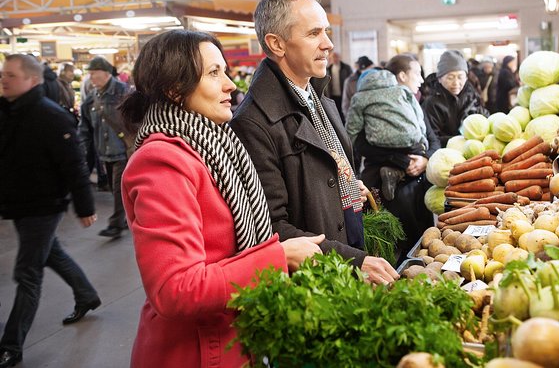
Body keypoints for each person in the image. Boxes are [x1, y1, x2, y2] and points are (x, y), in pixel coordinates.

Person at [119, 29, 323, 368]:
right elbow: (174, 288)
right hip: (194, 352)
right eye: (214, 73)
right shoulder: (161, 163)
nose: (231, 85)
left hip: (232, 340)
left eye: (225, 72)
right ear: (174, 89)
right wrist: (278, 257)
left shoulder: (216, 144)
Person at [230, 0, 399, 285]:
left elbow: (316, 176)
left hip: (344, 264)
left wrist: (345, 187)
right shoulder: (254, 123)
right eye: (314, 34)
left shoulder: (316, 96)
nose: (328, 44)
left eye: (327, 32)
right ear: (276, 44)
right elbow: (271, 226)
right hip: (315, 282)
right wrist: (353, 262)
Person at [0, 54, 100, 368]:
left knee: (27, 273)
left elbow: (75, 166)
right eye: (3, 74)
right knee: (51, 252)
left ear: (31, 80)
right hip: (18, 202)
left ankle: (11, 347)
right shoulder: (7, 110)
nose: (4, 79)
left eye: (11, 75)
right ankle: (86, 295)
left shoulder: (51, 116)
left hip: (44, 205)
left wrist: (85, 206)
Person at [353, 54, 441, 261]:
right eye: (417, 73)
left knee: (425, 245)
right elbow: (360, 143)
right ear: (402, 76)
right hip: (385, 187)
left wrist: (425, 160)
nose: (421, 79)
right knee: (395, 247)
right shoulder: (372, 103)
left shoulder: (415, 104)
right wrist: (400, 160)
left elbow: (432, 140)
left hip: (419, 186)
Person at [345, 58, 427, 201]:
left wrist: (351, 146)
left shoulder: (360, 97)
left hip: (378, 142)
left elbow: (352, 129)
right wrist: (422, 140)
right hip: (410, 141)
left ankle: (394, 172)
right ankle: (398, 172)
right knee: (415, 146)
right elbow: (418, 117)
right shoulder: (402, 90)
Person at [79, 56, 130, 239]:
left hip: (123, 150)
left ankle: (115, 224)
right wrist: (82, 145)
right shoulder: (93, 96)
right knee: (113, 188)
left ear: (106, 73)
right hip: (104, 152)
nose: (90, 77)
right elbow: (84, 126)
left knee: (118, 189)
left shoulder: (123, 92)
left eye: (93, 73)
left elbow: (137, 120)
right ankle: (126, 218)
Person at [422, 50, 489, 147]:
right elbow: (432, 138)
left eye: (460, 77)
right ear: (440, 78)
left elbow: (486, 119)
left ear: (466, 78)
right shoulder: (431, 103)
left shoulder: (472, 96)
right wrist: (464, 139)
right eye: (450, 77)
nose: (456, 83)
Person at [324, 51, 352, 121]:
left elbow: (351, 81)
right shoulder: (328, 69)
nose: (334, 59)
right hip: (332, 96)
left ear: (340, 58)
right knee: (335, 114)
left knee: (344, 113)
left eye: (336, 57)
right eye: (332, 57)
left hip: (344, 95)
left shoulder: (346, 68)